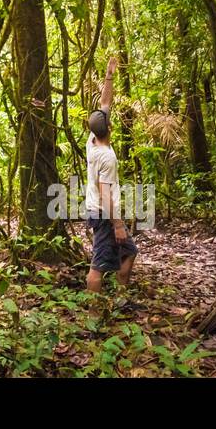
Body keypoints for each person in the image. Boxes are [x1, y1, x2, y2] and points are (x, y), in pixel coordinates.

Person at [85, 54, 136, 292]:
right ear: (110, 128)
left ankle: (120, 299)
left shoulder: (92, 141)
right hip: (104, 215)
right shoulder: (107, 157)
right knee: (98, 266)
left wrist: (109, 76)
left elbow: (105, 104)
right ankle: (93, 316)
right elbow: (105, 194)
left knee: (130, 252)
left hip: (104, 213)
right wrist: (117, 224)